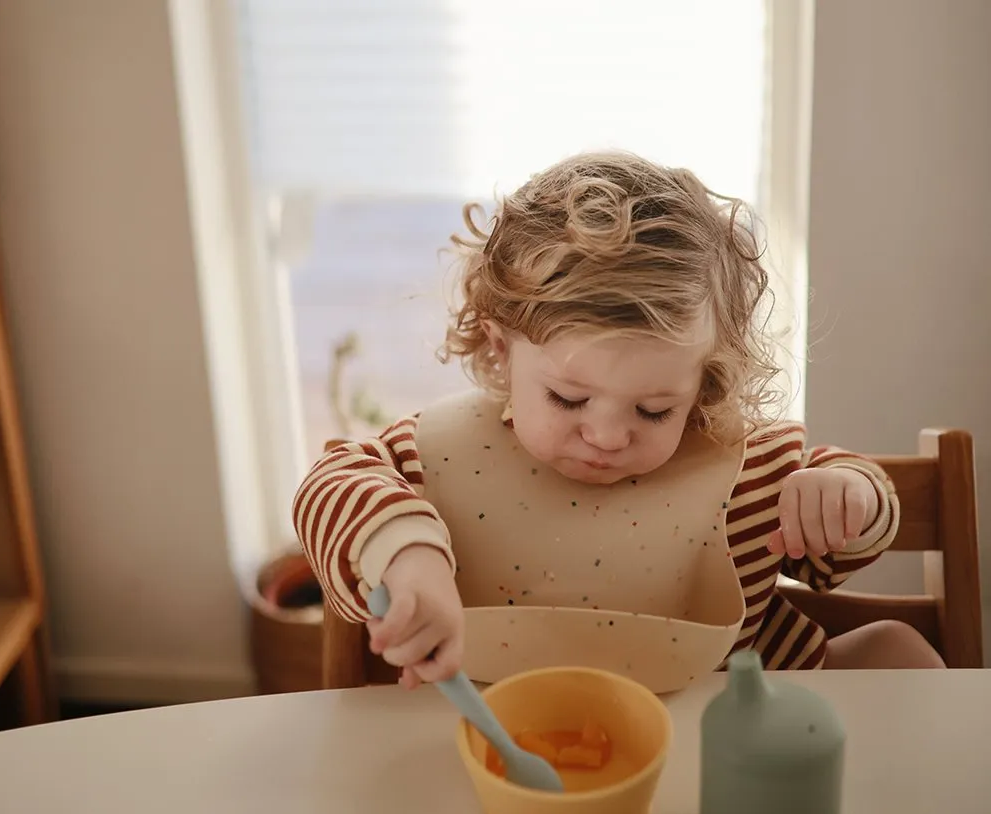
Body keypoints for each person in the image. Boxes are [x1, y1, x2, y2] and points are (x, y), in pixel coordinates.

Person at [293, 151, 944, 690]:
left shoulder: (746, 476)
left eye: (654, 409)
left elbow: (848, 533)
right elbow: (329, 485)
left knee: (899, 655)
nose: (607, 436)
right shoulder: (434, 462)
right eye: (569, 400)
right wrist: (407, 557)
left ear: (703, 382)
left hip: (733, 751)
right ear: (500, 348)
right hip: (505, 746)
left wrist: (847, 498)